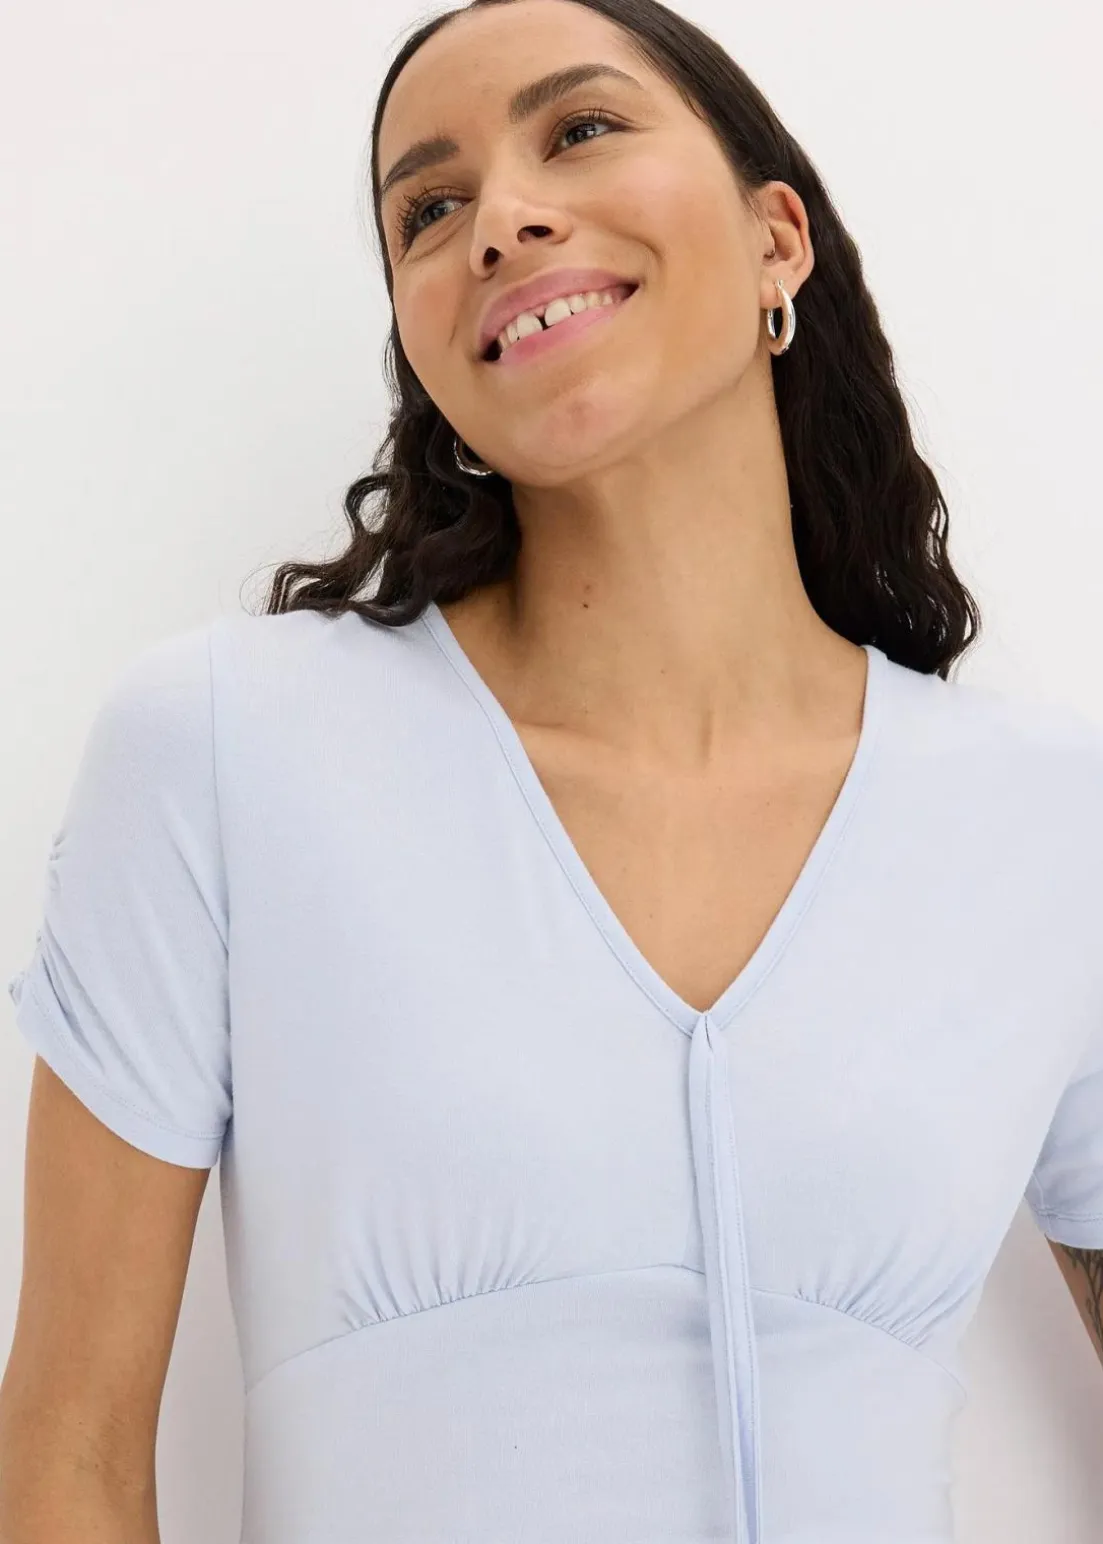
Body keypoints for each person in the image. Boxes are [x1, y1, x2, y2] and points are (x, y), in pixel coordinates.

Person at [3, 1, 1102, 1540]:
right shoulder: (226, 749)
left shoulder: (1045, 825)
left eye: (579, 130)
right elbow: (66, 1452)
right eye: (427, 210)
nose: (499, 220)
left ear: (775, 239)